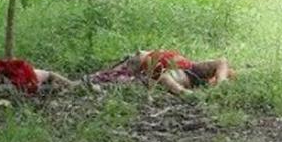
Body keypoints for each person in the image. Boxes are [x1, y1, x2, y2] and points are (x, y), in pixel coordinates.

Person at [89, 50, 233, 95]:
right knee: (162, 76)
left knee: (221, 61)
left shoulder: (187, 74)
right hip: (180, 69)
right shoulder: (127, 68)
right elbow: (221, 62)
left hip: (184, 70)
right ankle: (182, 92)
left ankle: (185, 92)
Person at [0, 57, 77, 94]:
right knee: (47, 81)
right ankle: (66, 86)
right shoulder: (7, 82)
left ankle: (70, 85)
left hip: (23, 76)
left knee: (48, 75)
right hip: (25, 82)